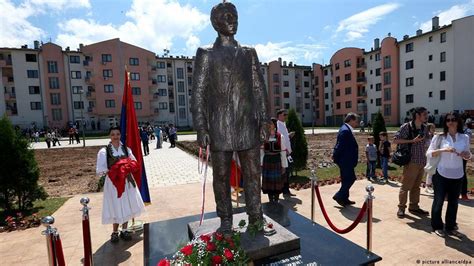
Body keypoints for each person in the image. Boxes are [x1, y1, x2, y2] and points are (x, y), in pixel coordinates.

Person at [190, 0, 270, 235]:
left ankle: (256, 217)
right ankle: (226, 219)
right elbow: (198, 94)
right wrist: (201, 127)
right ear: (216, 23)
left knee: (254, 174)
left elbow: (259, 88)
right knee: (221, 177)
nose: (232, 20)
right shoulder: (206, 54)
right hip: (219, 128)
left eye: (234, 16)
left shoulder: (248, 53)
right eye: (226, 16)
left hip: (247, 125)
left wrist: (265, 120)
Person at [96, 126, 145, 243]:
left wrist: (127, 167)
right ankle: (114, 232)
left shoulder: (126, 149)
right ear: (110, 136)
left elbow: (134, 162)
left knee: (126, 204)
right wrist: (115, 170)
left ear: (120, 135)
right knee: (115, 205)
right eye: (113, 134)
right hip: (113, 183)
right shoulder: (104, 151)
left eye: (117, 134)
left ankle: (124, 230)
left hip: (127, 181)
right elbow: (100, 169)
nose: (115, 137)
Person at [427, 112, 471, 237]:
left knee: (453, 203)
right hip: (441, 173)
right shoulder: (439, 137)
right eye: (448, 120)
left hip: (457, 174)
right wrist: (443, 150)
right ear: (445, 123)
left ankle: (450, 227)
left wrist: (467, 155)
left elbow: (468, 154)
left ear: (458, 121)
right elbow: (429, 153)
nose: (450, 122)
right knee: (438, 201)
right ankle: (437, 226)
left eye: (453, 119)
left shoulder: (464, 137)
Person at [394, 107, 429, 218]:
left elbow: (426, 141)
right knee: (406, 186)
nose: (426, 116)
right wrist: (412, 141)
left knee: (416, 187)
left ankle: (414, 206)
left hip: (421, 160)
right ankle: (401, 208)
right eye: (424, 114)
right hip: (411, 161)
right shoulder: (406, 126)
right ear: (417, 115)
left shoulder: (425, 127)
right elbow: (395, 140)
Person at [332, 113, 359, 207]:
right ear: (351, 120)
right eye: (356, 121)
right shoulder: (345, 131)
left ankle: (344, 198)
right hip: (345, 160)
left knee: (345, 179)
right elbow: (340, 146)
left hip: (346, 159)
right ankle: (339, 195)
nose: (357, 123)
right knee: (351, 178)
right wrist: (335, 157)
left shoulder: (346, 129)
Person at [261, 118, 288, 203]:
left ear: (274, 125)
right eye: (268, 124)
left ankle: (276, 200)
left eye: (271, 124)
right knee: (268, 182)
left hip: (276, 160)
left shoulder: (280, 136)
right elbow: (261, 151)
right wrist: (261, 163)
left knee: (277, 182)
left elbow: (283, 152)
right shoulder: (264, 136)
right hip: (267, 161)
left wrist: (284, 166)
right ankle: (270, 200)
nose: (269, 125)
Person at [276, 109, 295, 197]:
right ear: (279, 115)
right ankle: (284, 190)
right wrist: (286, 151)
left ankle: (286, 190)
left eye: (286, 115)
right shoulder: (278, 125)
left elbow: (284, 138)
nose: (286, 116)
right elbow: (280, 139)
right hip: (283, 152)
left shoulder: (283, 124)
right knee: (284, 172)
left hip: (287, 152)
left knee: (287, 172)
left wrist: (289, 135)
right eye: (284, 115)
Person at [461, 118, 472, 200]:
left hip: (463, 155)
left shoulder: (466, 131)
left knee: (462, 173)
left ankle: (464, 193)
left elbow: (467, 140)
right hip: (454, 155)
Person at [424, 123, 437, 194]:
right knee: (429, 170)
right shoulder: (427, 136)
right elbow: (426, 146)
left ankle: (428, 185)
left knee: (430, 171)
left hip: (433, 155)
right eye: (432, 128)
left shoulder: (433, 136)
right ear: (429, 129)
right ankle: (427, 186)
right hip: (428, 155)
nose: (434, 129)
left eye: (434, 128)